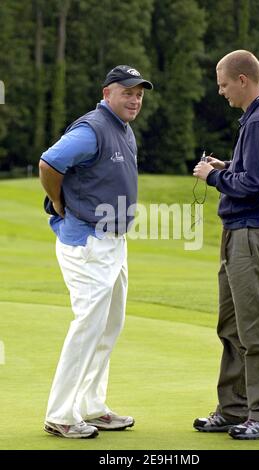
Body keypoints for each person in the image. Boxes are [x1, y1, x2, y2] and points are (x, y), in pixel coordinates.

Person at [39, 65, 153, 439]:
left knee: (109, 325)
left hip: (114, 243)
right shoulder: (92, 129)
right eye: (127, 92)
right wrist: (58, 201)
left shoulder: (123, 128)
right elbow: (49, 162)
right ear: (107, 93)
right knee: (88, 325)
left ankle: (91, 405)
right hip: (87, 241)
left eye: (139, 93)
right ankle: (61, 414)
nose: (135, 99)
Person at [192, 50, 259, 440]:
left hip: (253, 233)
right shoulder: (258, 118)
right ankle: (234, 409)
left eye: (224, 84)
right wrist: (224, 167)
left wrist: (212, 178)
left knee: (257, 329)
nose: (221, 92)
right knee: (232, 327)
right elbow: (248, 171)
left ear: (243, 80)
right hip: (240, 233)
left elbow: (255, 186)